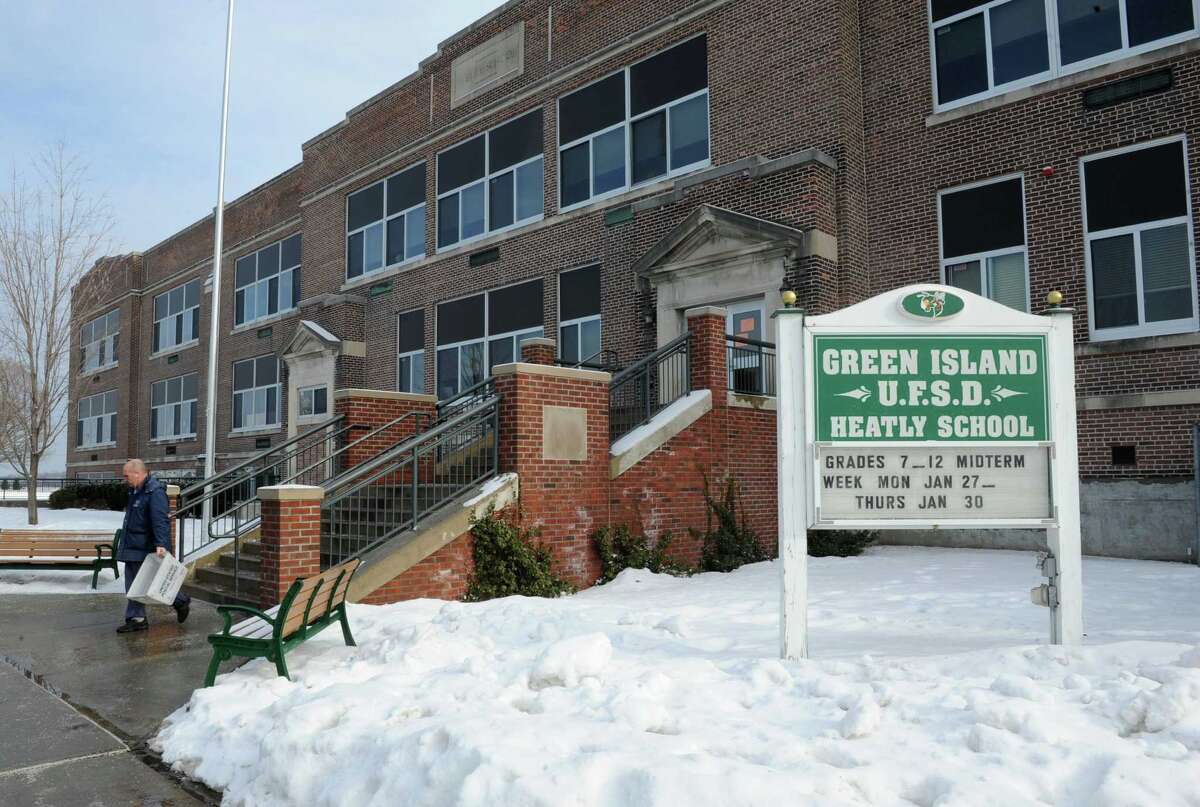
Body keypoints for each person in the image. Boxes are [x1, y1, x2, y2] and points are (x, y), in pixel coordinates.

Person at [116, 459, 190, 633]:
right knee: (135, 583)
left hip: (145, 547)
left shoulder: (154, 492)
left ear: (138, 473)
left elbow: (160, 521)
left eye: (127, 475)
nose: (125, 479)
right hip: (134, 545)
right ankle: (137, 618)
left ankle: (180, 600)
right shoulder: (136, 490)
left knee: (151, 584)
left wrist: (161, 544)